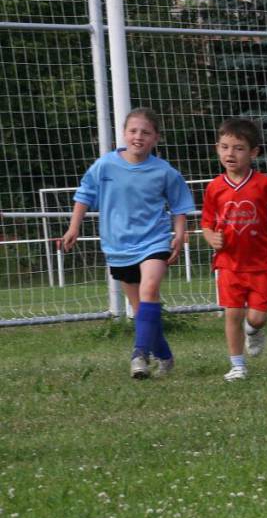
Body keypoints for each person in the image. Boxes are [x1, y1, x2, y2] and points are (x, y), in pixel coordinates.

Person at [60, 108, 195, 380]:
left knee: (150, 288)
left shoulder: (164, 171)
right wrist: (74, 227)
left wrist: (179, 234)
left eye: (146, 132)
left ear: (156, 138)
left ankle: (139, 355)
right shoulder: (105, 165)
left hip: (154, 240)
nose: (138, 137)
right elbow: (84, 195)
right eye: (133, 131)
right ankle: (164, 356)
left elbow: (180, 204)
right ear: (123, 134)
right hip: (119, 245)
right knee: (142, 308)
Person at [201, 118, 267, 382]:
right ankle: (237, 365)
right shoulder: (214, 187)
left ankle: (253, 330)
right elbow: (206, 223)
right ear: (217, 149)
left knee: (257, 317)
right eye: (225, 147)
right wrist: (210, 237)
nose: (230, 153)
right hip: (228, 263)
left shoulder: (263, 184)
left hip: (262, 264)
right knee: (232, 313)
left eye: (238, 148)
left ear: (253, 153)